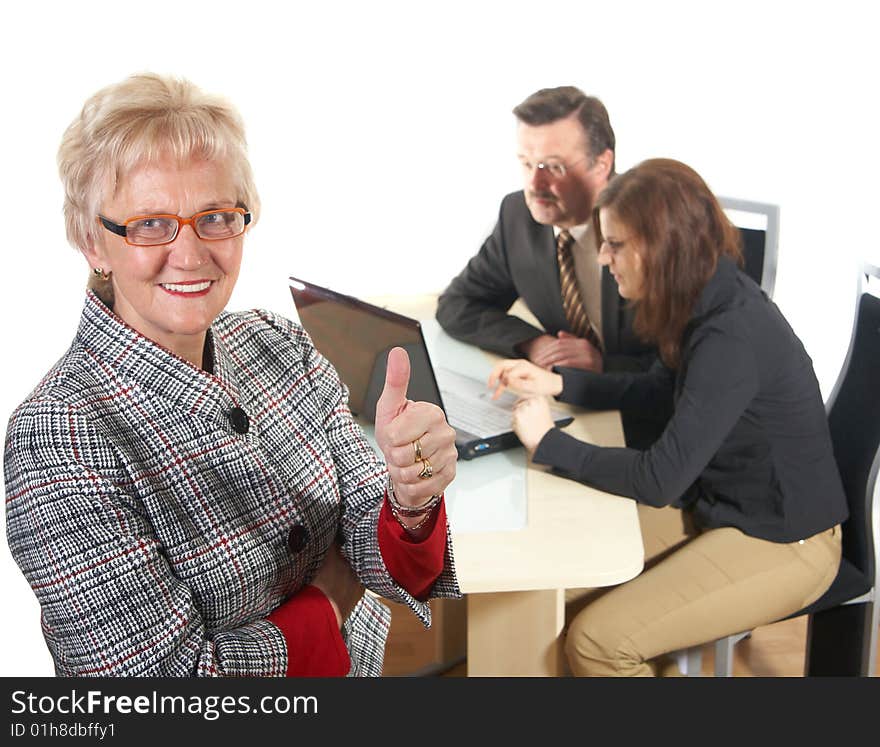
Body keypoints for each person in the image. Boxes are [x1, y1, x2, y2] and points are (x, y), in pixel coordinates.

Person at [3, 73, 460, 677]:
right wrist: (331, 601)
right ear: (92, 241)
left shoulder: (275, 340)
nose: (191, 254)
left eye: (215, 216)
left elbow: (369, 533)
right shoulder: (57, 440)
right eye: (149, 224)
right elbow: (167, 691)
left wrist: (409, 499)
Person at [488, 158, 847, 677]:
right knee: (547, 586)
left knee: (595, 643)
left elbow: (658, 479)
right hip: (722, 509)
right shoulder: (698, 299)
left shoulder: (730, 334)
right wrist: (561, 383)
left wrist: (549, 443)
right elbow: (658, 388)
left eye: (616, 245)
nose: (604, 258)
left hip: (784, 542)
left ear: (663, 246)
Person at [435, 86, 663, 447]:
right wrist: (534, 344)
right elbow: (457, 304)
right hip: (569, 411)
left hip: (648, 428)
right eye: (526, 164)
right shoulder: (517, 218)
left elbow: (690, 371)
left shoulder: (653, 229)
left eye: (553, 166)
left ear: (602, 164)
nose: (534, 184)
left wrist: (603, 365)